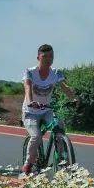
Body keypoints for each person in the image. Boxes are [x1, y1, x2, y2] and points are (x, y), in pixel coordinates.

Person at [22, 44, 78, 174]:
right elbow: (27, 87)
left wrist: (73, 98)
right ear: (38, 57)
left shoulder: (56, 73)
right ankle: (28, 163)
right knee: (36, 137)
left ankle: (62, 158)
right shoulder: (30, 72)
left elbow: (65, 88)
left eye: (51, 56)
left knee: (58, 126)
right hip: (31, 112)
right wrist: (31, 102)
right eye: (45, 56)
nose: (48, 59)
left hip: (46, 110)